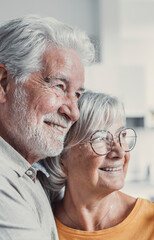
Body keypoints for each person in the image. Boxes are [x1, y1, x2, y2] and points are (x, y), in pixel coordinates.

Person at [0, 15, 94, 240]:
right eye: (59, 86)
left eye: (78, 94)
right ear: (4, 83)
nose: (74, 112)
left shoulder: (27, 173)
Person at [44, 91, 154, 239]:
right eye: (100, 138)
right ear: (62, 154)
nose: (119, 152)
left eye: (122, 136)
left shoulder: (150, 222)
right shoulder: (39, 226)